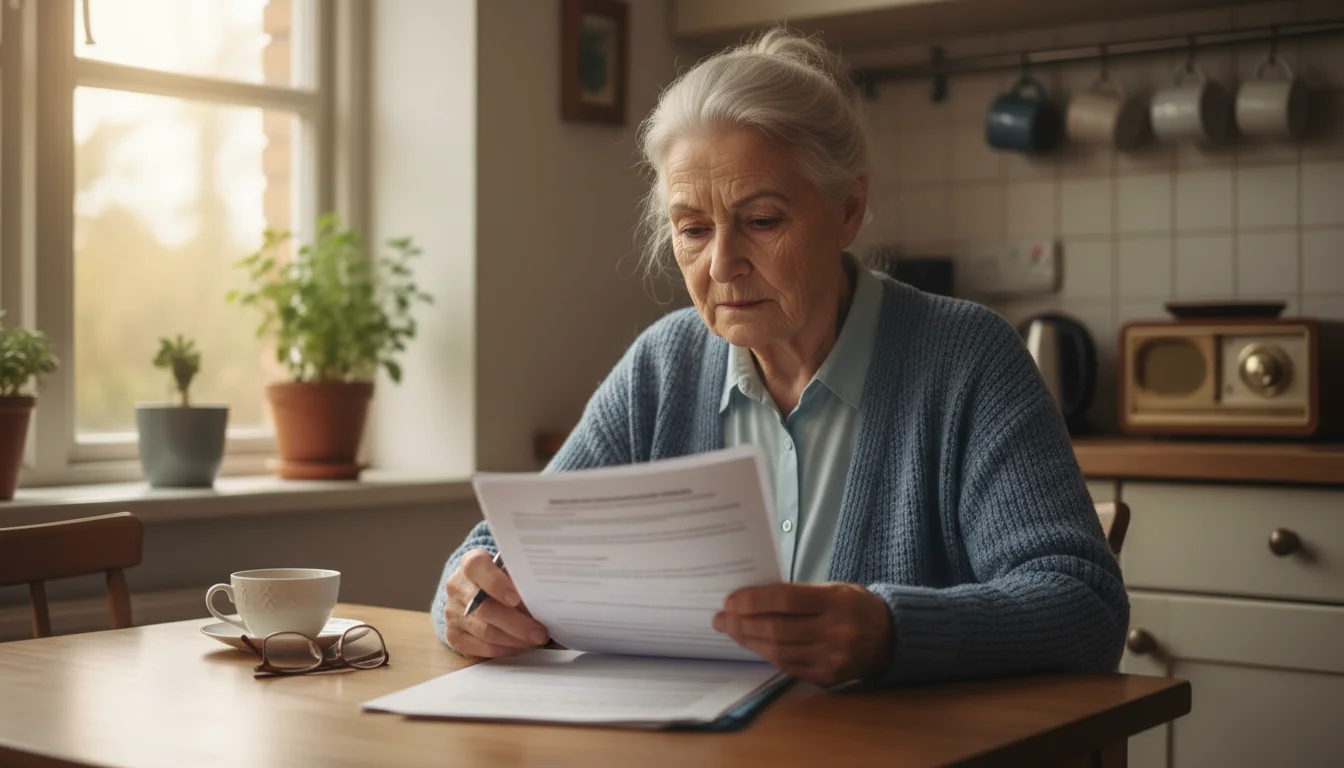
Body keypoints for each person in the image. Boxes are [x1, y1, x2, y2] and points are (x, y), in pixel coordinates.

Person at [431, 28, 1127, 688]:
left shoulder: (966, 359)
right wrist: (469, 594)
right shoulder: (663, 365)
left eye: (762, 222)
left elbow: (1085, 606)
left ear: (848, 209)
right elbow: (502, 550)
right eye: (693, 230)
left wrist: (890, 631)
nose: (723, 265)